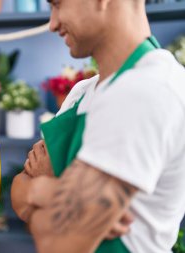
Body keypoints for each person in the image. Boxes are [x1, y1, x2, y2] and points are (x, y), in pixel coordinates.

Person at [11, 0, 185, 252]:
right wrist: (51, 194)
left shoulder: (147, 90)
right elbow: (20, 197)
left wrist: (40, 190)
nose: (53, 23)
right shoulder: (84, 91)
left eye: (58, 5)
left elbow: (56, 242)